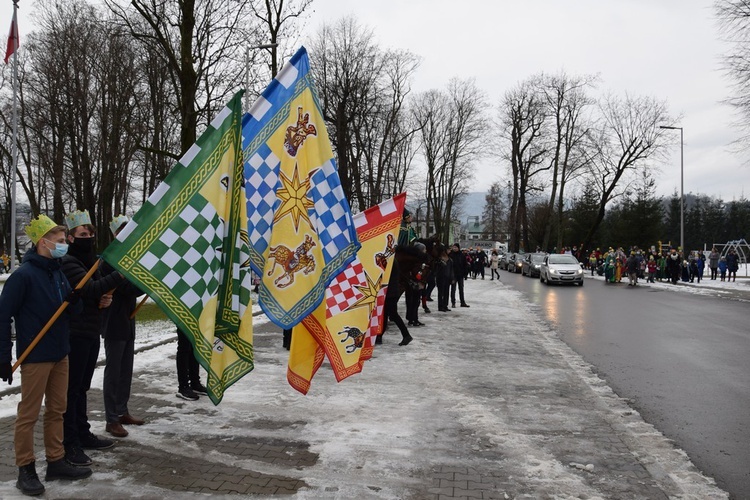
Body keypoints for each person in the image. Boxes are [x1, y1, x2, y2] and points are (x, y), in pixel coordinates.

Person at [0, 215, 90, 496]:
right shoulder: (23, 276)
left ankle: (56, 460)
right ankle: (25, 468)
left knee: (57, 410)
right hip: (35, 354)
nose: (65, 245)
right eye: (61, 241)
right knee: (28, 415)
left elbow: (71, 313)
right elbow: (3, 318)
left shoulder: (58, 272)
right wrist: (3, 356)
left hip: (60, 352)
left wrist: (75, 303)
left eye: (65, 241)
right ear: (44, 242)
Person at [61, 210, 125, 466]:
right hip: (75, 334)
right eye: (82, 234)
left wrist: (104, 299)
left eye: (90, 233)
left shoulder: (90, 262)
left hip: (91, 332)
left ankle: (83, 432)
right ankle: (70, 441)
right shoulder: (69, 262)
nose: (88, 237)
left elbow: (97, 293)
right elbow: (87, 289)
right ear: (71, 238)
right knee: (72, 390)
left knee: (82, 388)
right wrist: (120, 274)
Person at [102, 216, 146, 438]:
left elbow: (134, 287)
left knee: (126, 369)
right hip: (114, 320)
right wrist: (143, 281)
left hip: (128, 319)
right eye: (122, 231)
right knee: (114, 370)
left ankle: (122, 411)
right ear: (115, 234)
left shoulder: (130, 257)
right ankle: (111, 419)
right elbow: (127, 287)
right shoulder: (110, 259)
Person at [383, 257, 412, 346]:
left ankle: (406, 335)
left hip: (390, 292)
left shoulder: (390, 261)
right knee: (385, 314)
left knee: (393, 314)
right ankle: (379, 336)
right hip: (390, 292)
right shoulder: (391, 260)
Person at [176, 327, 209, 400]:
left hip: (196, 318)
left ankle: (195, 383)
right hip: (184, 318)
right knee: (184, 347)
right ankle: (183, 386)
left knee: (195, 346)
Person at [449, 243, 469, 308]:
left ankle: (462, 302)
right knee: (453, 289)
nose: (454, 248)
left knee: (461, 289)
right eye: (453, 247)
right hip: (453, 275)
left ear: (458, 248)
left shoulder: (462, 255)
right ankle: (453, 302)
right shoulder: (450, 255)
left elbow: (465, 265)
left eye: (456, 247)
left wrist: (465, 274)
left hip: (460, 274)